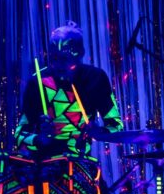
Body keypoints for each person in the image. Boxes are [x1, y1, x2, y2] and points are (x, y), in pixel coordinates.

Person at [14, 21, 123, 155]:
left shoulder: (96, 78)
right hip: (42, 165)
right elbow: (19, 136)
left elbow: (116, 126)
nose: (59, 65)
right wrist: (40, 139)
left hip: (80, 164)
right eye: (54, 58)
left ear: (81, 54)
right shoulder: (38, 82)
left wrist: (98, 132)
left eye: (65, 58)